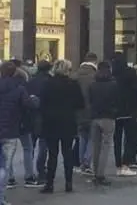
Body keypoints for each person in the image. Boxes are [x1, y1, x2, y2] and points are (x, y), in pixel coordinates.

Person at [40, 59, 85, 194]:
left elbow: (42, 103)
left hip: (51, 122)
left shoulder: (48, 84)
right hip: (68, 122)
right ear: (68, 70)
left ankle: (49, 183)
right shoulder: (73, 84)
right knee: (67, 153)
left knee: (52, 154)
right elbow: (80, 104)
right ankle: (68, 183)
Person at [0, 62, 38, 202]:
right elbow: (30, 105)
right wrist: (35, 100)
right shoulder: (19, 89)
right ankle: (1, 198)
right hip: (10, 131)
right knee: (5, 165)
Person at [88, 61, 119, 186]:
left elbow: (89, 100)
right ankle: (101, 174)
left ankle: (95, 173)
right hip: (108, 117)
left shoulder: (92, 85)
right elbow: (117, 100)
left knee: (96, 146)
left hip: (95, 117)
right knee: (105, 147)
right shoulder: (114, 85)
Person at [111, 52, 137, 176]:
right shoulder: (130, 72)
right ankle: (125, 164)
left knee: (116, 139)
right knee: (130, 138)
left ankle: (118, 164)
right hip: (129, 110)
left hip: (115, 111)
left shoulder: (112, 73)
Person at [25, 61, 52, 186]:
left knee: (31, 146)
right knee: (44, 145)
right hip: (46, 116)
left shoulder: (30, 81)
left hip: (31, 116)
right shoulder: (50, 81)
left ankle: (29, 172)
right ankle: (41, 170)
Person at [73, 52, 98, 175]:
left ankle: (81, 162)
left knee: (82, 137)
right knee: (92, 138)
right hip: (91, 110)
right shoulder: (95, 76)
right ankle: (87, 162)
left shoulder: (76, 75)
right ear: (94, 62)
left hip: (78, 111)